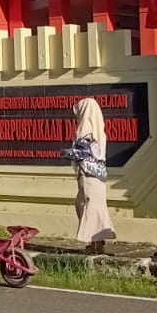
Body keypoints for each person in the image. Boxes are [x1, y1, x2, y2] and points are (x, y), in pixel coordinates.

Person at [64, 98, 116, 254]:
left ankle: (92, 245)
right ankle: (98, 243)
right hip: (98, 175)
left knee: (88, 206)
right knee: (96, 207)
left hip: (88, 175)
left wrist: (66, 153)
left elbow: (82, 153)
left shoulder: (85, 130)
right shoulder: (100, 131)